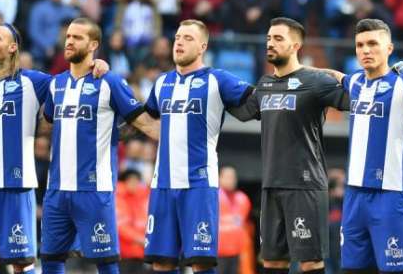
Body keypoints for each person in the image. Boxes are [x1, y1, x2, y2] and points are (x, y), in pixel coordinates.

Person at [0, 22, 109, 274]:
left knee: (22, 263)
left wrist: (97, 65)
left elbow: (70, 82)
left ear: (13, 47)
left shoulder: (34, 82)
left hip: (17, 186)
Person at [228, 17, 350, 274]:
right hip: (271, 185)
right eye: (269, 38)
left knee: (310, 262)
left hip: (305, 184)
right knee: (272, 261)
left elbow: (355, 100)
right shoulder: (264, 84)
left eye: (278, 39)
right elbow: (241, 112)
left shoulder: (315, 80)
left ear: (296, 45)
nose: (270, 44)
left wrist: (346, 78)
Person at [40, 17, 159, 274]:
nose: (69, 41)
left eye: (77, 37)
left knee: (106, 263)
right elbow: (46, 125)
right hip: (56, 190)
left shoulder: (109, 82)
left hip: (94, 190)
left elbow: (145, 124)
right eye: (68, 36)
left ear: (93, 44)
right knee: (50, 259)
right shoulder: (56, 84)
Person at [143, 19, 254, 274]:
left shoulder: (217, 80)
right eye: (177, 37)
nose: (179, 42)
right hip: (163, 184)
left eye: (188, 38)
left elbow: (254, 100)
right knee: (161, 262)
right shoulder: (161, 83)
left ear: (203, 46)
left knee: (200, 262)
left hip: (199, 184)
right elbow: (145, 119)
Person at [337, 19, 403, 273]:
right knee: (353, 269)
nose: (365, 50)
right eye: (359, 45)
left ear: (389, 48)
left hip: (391, 194)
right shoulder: (355, 82)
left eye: (372, 43)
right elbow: (338, 78)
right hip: (354, 196)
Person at [217, 166, 251, 274]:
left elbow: (244, 226)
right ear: (219, 178)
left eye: (233, 177)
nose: (230, 180)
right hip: (217, 254)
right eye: (227, 177)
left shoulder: (243, 199)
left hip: (236, 253)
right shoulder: (212, 198)